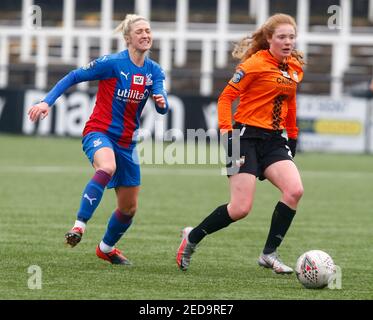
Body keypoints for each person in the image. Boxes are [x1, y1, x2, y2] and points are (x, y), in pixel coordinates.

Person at [28, 14, 169, 265]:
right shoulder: (112, 63)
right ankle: (79, 225)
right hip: (99, 132)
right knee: (107, 166)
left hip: (127, 143)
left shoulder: (154, 70)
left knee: (128, 209)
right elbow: (73, 76)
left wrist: (161, 102)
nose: (146, 35)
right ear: (128, 38)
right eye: (140, 31)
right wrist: (45, 101)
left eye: (148, 30)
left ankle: (105, 248)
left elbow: (162, 105)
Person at [176, 13, 304, 273]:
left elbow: (290, 102)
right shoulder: (254, 64)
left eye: (291, 36)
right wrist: (227, 135)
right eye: (281, 37)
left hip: (273, 141)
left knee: (294, 191)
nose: (288, 41)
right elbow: (225, 99)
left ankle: (269, 254)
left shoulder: (295, 67)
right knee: (240, 208)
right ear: (269, 39)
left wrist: (293, 136)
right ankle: (192, 238)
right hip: (244, 137)